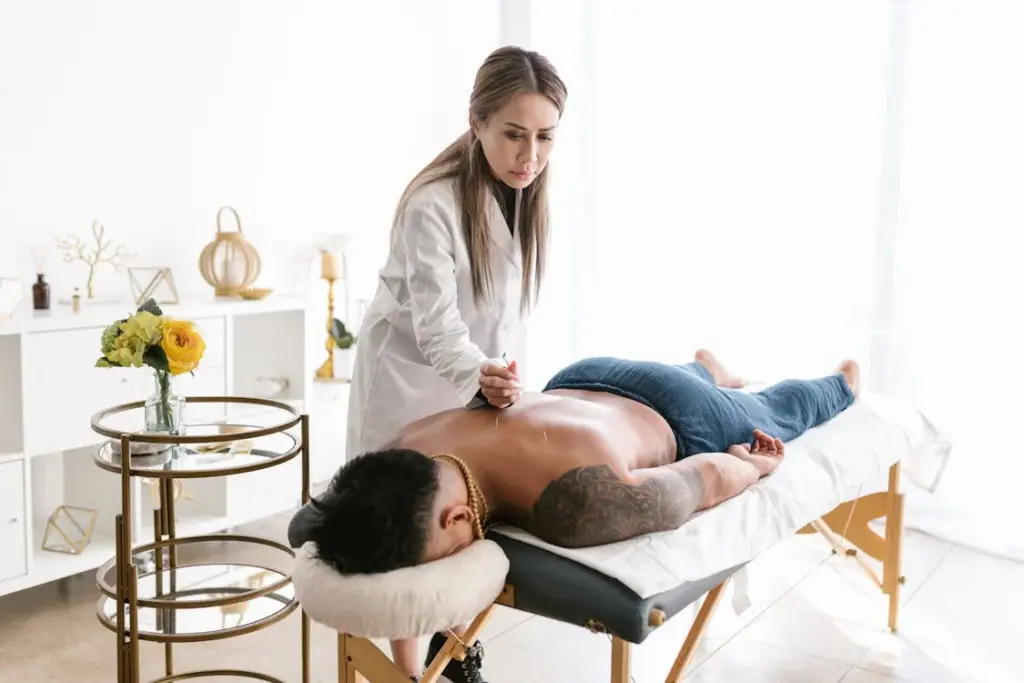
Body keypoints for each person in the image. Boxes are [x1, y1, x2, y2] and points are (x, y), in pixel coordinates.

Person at [291, 350, 860, 681]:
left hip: (684, 416)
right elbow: (384, 532)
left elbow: (696, 484)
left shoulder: (575, 502)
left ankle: (842, 382)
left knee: (782, 411)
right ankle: (705, 366)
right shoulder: (403, 449)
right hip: (578, 378)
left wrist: (750, 467)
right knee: (688, 379)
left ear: (456, 519)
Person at [340, 45, 567, 683]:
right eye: (514, 135)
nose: (531, 156)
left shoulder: (524, 195)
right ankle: (413, 671)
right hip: (409, 383)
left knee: (458, 524)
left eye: (546, 137)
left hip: (470, 388)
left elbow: (501, 316)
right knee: (408, 532)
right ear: (477, 122)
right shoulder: (432, 205)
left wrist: (495, 381)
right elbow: (439, 327)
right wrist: (481, 377)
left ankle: (458, 651)